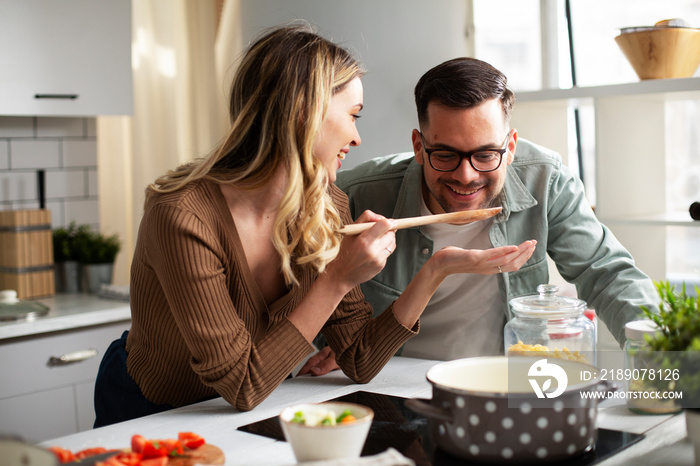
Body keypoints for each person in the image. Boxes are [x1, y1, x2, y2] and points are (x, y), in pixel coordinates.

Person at [93, 27, 534, 428]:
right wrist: (338, 278)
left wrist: (436, 270)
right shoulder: (183, 216)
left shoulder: (325, 206)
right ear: (304, 113)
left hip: (247, 411)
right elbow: (242, 384)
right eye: (353, 114)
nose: (357, 138)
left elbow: (359, 358)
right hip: (152, 413)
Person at [300, 57, 658, 374]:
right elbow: (298, 292)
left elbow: (606, 273)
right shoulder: (355, 193)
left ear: (511, 146)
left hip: (503, 380)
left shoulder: (546, 181)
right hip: (390, 379)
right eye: (445, 155)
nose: (466, 176)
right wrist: (330, 340)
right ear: (418, 147)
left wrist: (662, 356)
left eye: (486, 155)